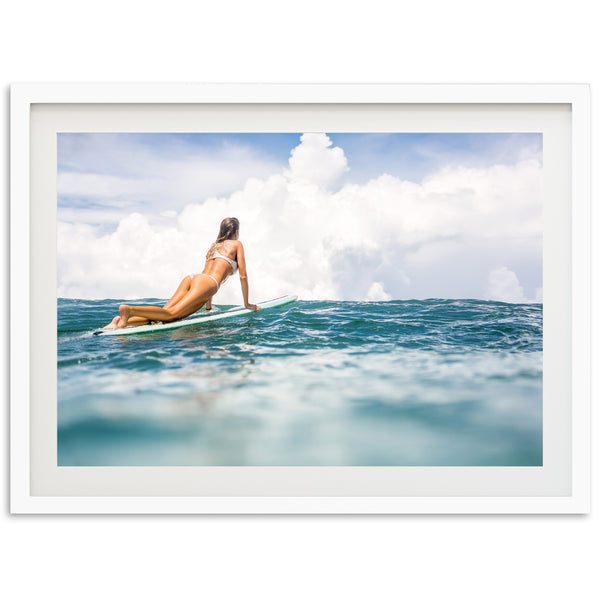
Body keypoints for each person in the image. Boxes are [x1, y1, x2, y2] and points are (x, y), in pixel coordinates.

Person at [103, 217, 259, 330]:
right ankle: (128, 310)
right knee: (172, 315)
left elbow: (207, 275)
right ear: (236, 232)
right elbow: (242, 276)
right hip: (207, 283)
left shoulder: (213, 247)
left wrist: (208, 308)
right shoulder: (237, 244)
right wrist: (247, 304)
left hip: (193, 278)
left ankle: (120, 322)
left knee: (161, 316)